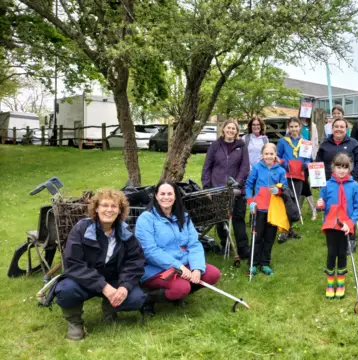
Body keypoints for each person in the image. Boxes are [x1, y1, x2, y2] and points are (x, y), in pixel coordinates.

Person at [54, 189, 146, 340]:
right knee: (66, 290)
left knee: (136, 298)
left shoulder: (125, 232)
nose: (109, 210)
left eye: (114, 206)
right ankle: (75, 323)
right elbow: (73, 263)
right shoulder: (82, 229)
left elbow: (135, 261)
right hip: (85, 280)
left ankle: (110, 308)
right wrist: (103, 286)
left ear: (120, 210)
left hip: (113, 279)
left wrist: (124, 286)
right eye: (104, 205)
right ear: (96, 208)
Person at [136, 181, 221, 314]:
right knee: (181, 287)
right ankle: (148, 299)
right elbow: (150, 251)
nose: (166, 197)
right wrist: (178, 266)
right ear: (156, 196)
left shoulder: (183, 217)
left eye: (170, 193)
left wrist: (197, 268)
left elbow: (194, 244)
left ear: (175, 196)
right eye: (162, 194)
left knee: (212, 274)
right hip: (156, 268)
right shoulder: (146, 219)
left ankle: (177, 295)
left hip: (183, 262)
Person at [202, 119, 251, 259]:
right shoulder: (215, 146)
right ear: (223, 129)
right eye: (228, 128)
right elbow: (207, 167)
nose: (230, 130)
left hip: (236, 190)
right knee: (220, 219)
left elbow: (245, 167)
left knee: (238, 219)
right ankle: (225, 245)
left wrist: (238, 183)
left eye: (233, 128)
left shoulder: (241, 146)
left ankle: (243, 249)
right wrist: (207, 188)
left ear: (237, 131)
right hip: (217, 188)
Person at [316, 153, 358, 299]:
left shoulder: (354, 186)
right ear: (333, 168)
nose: (341, 170)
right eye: (338, 167)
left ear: (349, 169)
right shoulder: (328, 185)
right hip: (331, 224)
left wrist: (350, 223)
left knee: (342, 253)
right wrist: (320, 205)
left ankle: (341, 283)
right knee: (331, 253)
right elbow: (322, 202)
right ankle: (330, 284)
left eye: (345, 167)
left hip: (345, 225)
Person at [245, 143, 288, 276]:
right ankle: (253, 263)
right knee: (257, 236)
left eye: (271, 154)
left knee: (269, 237)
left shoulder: (280, 170)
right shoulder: (257, 168)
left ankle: (265, 263)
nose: (269, 156)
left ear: (275, 155)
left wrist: (279, 190)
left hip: (273, 210)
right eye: (266, 154)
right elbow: (248, 185)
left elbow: (285, 188)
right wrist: (250, 201)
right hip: (259, 209)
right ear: (262, 155)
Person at [276, 117, 311, 242]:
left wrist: (305, 164)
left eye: (296, 126)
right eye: (291, 127)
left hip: (299, 176)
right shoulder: (282, 142)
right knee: (286, 200)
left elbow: (308, 159)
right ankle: (284, 229)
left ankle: (290, 229)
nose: (294, 129)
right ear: (288, 128)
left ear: (300, 127)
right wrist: (285, 164)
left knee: (294, 202)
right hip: (286, 175)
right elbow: (278, 157)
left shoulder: (306, 142)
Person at [298, 116, 319, 222]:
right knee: (302, 184)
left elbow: (315, 141)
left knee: (304, 183)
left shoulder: (313, 126)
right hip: (297, 159)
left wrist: (314, 157)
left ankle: (313, 210)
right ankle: (299, 209)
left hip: (308, 158)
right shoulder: (296, 123)